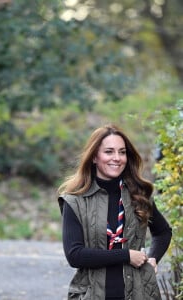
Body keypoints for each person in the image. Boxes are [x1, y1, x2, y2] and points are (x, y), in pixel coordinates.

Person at [58, 124, 172, 300]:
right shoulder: (75, 201)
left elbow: (163, 232)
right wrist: (126, 255)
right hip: (91, 295)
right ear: (95, 157)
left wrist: (153, 258)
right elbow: (75, 255)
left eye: (122, 152)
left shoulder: (138, 195)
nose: (117, 158)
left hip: (140, 294)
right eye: (109, 152)